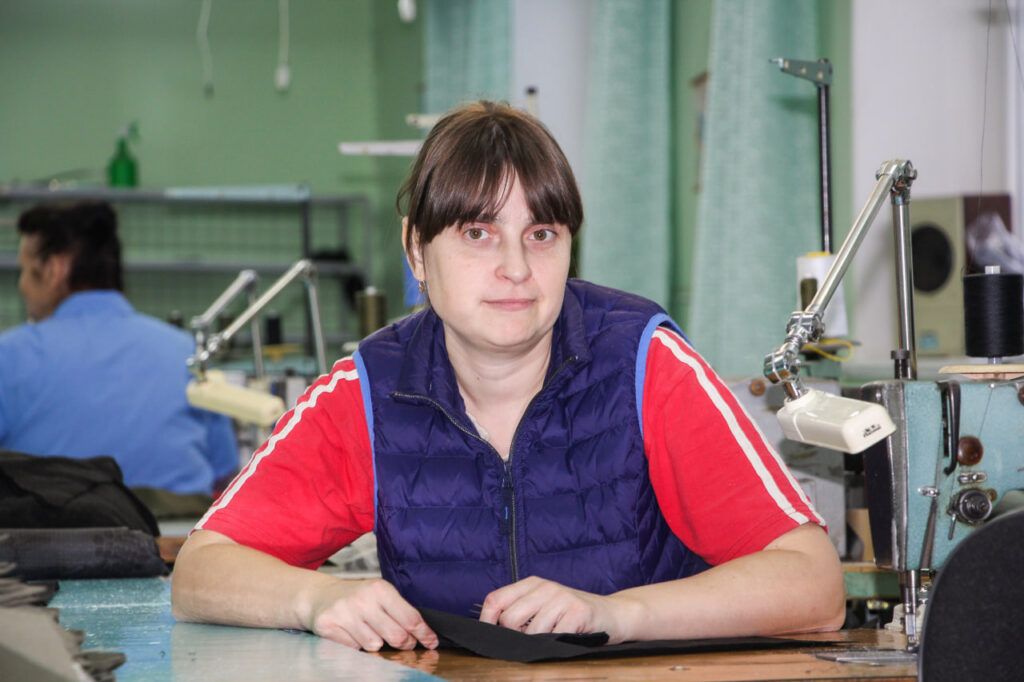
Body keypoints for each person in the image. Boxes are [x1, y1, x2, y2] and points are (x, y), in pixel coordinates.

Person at [172, 101, 844, 651]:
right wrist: (315, 597)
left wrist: (617, 614)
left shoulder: (645, 364)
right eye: (477, 233)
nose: (517, 268)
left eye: (542, 233)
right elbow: (202, 568)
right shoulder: (369, 393)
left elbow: (813, 585)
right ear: (416, 249)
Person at [0, 202, 238, 500]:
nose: (22, 285)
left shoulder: (10, 356)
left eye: (24, 269)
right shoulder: (186, 352)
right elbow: (225, 473)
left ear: (54, 269)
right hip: (181, 526)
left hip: (61, 526)